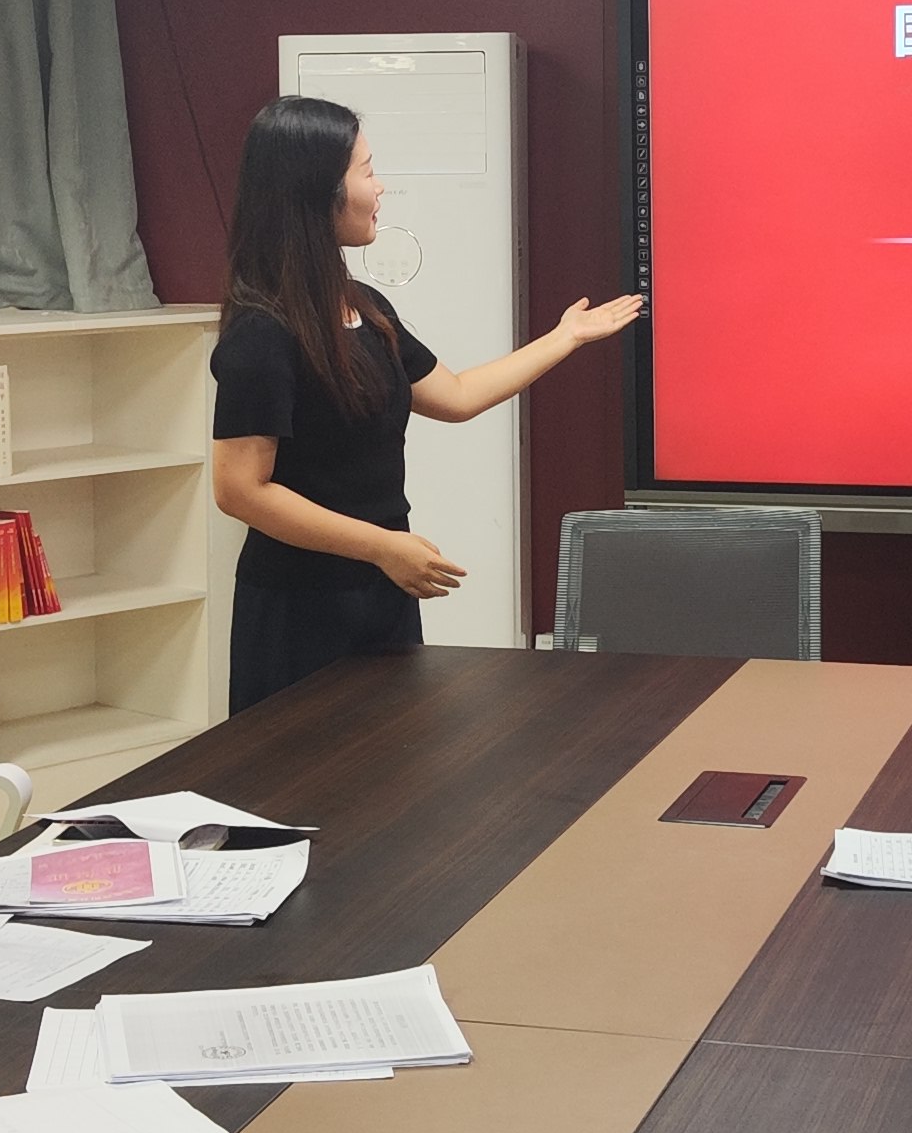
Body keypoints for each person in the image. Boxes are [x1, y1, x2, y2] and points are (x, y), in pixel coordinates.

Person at [209, 92, 643, 713]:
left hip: (384, 589)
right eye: (366, 171)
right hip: (298, 608)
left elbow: (457, 396)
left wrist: (565, 337)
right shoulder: (262, 332)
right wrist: (382, 546)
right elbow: (240, 490)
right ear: (318, 192)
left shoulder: (365, 306)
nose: (380, 188)